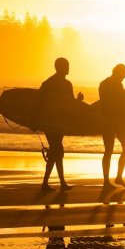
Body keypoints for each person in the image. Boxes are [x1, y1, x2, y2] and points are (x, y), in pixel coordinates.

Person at [37, 57, 74, 191]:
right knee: (56, 150)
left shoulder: (48, 83)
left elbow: (38, 103)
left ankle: (57, 183)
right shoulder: (58, 84)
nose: (69, 68)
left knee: (56, 151)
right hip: (53, 123)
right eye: (67, 66)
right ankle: (48, 184)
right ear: (60, 67)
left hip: (56, 122)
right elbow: (39, 103)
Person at [99, 63, 125, 188]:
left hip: (119, 121)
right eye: (123, 76)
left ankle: (118, 177)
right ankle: (106, 181)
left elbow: (122, 104)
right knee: (108, 151)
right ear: (117, 73)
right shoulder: (105, 84)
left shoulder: (118, 84)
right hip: (108, 121)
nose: (123, 79)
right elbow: (106, 104)